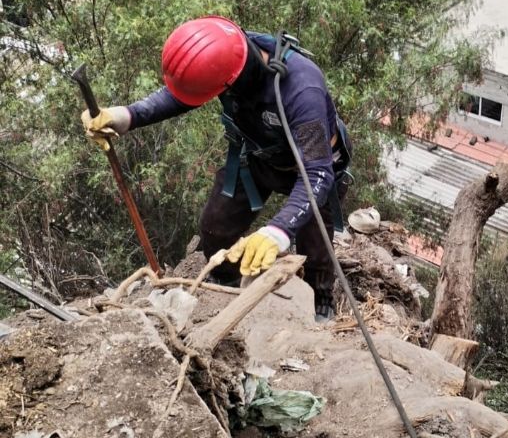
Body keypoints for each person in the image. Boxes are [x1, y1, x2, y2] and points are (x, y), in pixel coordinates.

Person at [80, 16, 352, 321]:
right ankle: (226, 280)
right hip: (259, 158)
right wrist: (127, 116)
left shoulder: (302, 90)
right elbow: (181, 95)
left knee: (316, 246)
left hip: (313, 169)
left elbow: (317, 173)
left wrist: (278, 230)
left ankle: (320, 298)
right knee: (215, 226)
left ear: (234, 78)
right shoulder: (226, 58)